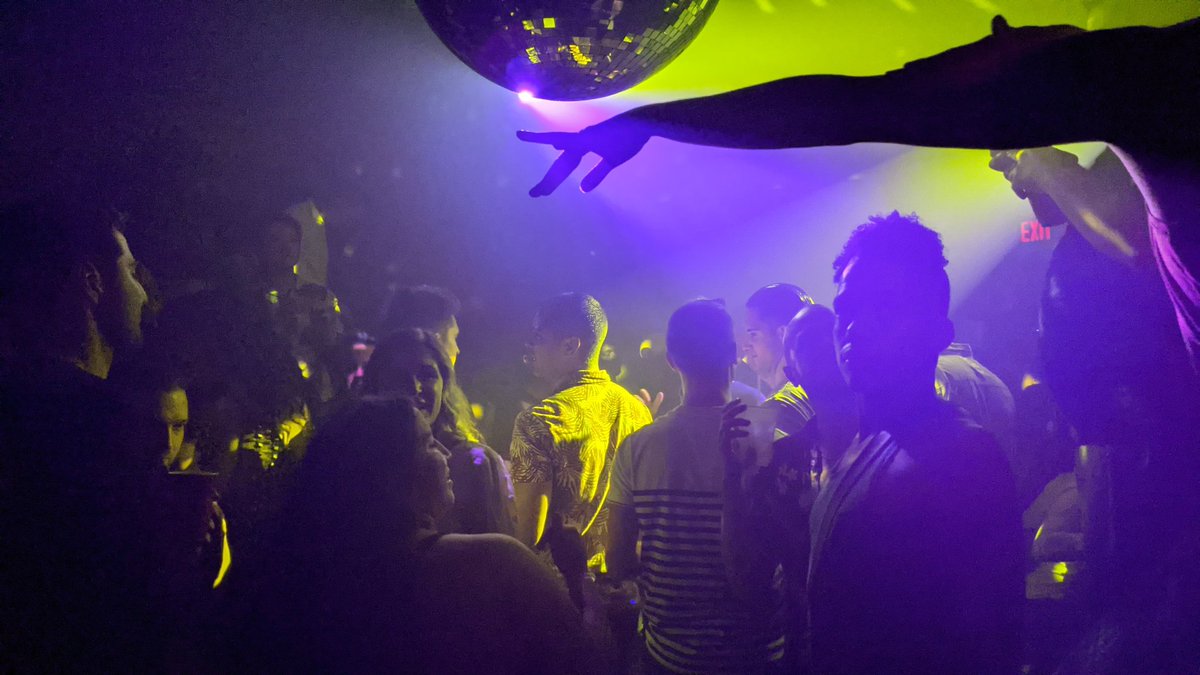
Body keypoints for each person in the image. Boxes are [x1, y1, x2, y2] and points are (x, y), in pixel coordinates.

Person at [516, 15, 1200, 371]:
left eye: (996, 44)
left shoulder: (1154, 73)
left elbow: (858, 105)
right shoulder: (1155, 76)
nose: (983, 46)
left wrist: (652, 120)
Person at [804, 212, 1023, 673]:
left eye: (883, 305)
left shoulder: (962, 459)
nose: (854, 326)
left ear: (939, 333)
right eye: (846, 308)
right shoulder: (863, 446)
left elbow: (988, 648)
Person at [0, 198, 210, 668]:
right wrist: (188, 540)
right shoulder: (103, 423)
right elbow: (133, 601)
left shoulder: (19, 402)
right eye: (131, 271)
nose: (144, 291)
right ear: (92, 281)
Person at [253, 397, 597, 674]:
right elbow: (588, 660)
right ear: (391, 473)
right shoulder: (494, 562)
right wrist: (577, 577)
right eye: (429, 443)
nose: (446, 454)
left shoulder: (305, 578)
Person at [607, 299, 786, 674]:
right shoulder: (772, 444)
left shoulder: (636, 449)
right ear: (734, 354)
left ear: (671, 360)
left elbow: (618, 562)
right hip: (758, 655)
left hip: (672, 656)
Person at [510, 292, 652, 572]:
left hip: (560, 586)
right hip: (624, 583)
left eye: (538, 338)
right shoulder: (638, 411)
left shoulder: (539, 421)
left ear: (570, 346)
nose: (531, 347)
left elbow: (529, 540)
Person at [364, 328, 514, 536]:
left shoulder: (471, 462)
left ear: (444, 386)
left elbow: (497, 552)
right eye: (399, 376)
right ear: (376, 385)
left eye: (427, 375)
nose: (415, 387)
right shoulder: (356, 460)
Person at [256, 212, 345, 406]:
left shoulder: (319, 296)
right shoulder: (252, 298)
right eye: (275, 240)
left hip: (316, 395)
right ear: (262, 246)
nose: (285, 248)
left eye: (293, 241)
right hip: (266, 396)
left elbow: (336, 344)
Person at [781, 303, 857, 469]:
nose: (826, 344)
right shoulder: (786, 461)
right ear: (791, 375)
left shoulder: (892, 438)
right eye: (809, 341)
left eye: (832, 335)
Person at [743, 283, 818, 437]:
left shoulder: (776, 412)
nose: (746, 346)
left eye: (753, 334)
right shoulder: (814, 394)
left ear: (783, 334)